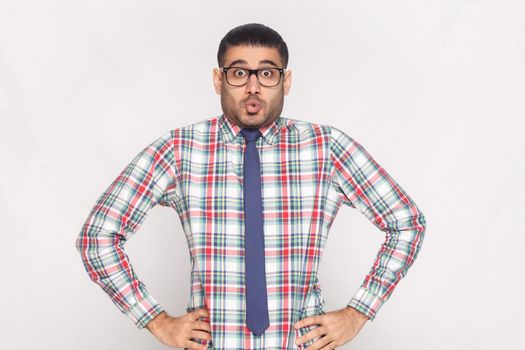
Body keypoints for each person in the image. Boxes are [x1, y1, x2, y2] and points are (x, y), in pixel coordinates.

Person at [75, 23, 426, 350]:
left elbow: (406, 222)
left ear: (286, 82)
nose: (253, 87)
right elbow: (97, 237)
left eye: (268, 73)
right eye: (239, 73)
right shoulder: (180, 150)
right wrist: (156, 320)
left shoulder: (326, 147)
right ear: (218, 80)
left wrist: (357, 313)